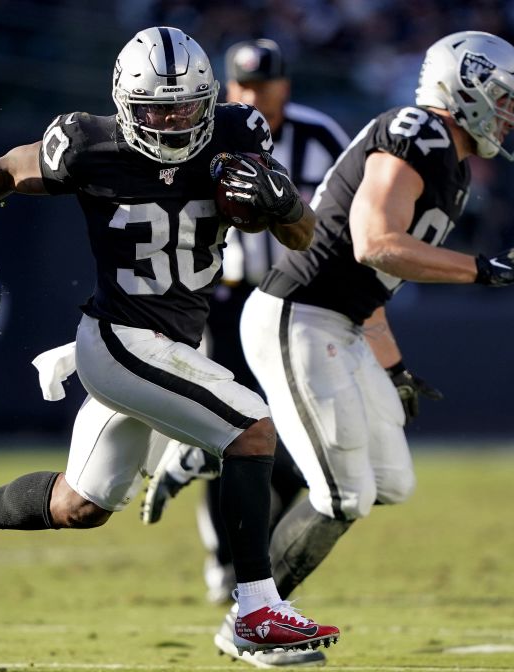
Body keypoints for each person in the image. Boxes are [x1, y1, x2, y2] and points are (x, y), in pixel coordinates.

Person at [0, 26, 339, 657]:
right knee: (252, 428)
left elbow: (303, 238)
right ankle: (255, 611)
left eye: (187, 107)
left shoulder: (240, 133)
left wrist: (285, 205)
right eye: (158, 109)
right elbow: (3, 173)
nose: (175, 121)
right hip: (123, 340)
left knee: (81, 504)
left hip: (167, 348)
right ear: (126, 105)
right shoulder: (88, 145)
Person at [218, 30, 514, 667]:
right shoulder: (417, 132)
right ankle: (250, 619)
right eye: (504, 100)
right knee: (344, 495)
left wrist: (394, 365)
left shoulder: (449, 158)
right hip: (297, 315)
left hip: (339, 323)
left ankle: (256, 561)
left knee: (390, 481)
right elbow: (374, 243)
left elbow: (372, 283)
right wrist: (482, 268)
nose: (511, 116)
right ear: (466, 89)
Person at [139, 38, 353, 621]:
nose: (254, 95)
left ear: (285, 85)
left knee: (282, 434)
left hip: (298, 300)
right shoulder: (201, 131)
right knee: (233, 426)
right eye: (244, 86)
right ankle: (224, 561)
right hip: (226, 301)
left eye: (264, 84)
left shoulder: (320, 135)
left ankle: (246, 548)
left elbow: (348, 208)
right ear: (229, 88)